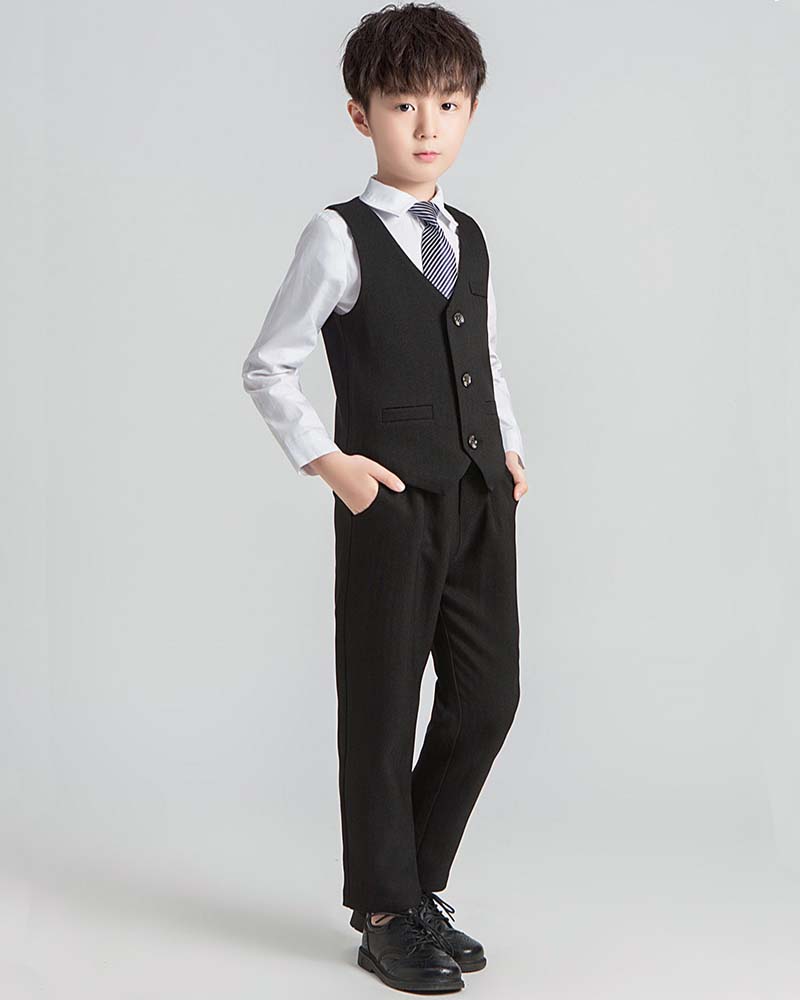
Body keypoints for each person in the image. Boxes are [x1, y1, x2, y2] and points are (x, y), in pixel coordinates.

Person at [241, 3, 527, 992]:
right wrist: (333, 464)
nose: (426, 124)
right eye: (403, 104)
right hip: (390, 504)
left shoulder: (467, 235)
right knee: (381, 705)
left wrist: (510, 446)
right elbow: (268, 365)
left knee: (488, 696)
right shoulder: (339, 234)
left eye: (447, 103)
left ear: (470, 110)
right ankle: (383, 909)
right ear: (361, 115)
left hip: (481, 496)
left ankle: (414, 887)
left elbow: (482, 352)